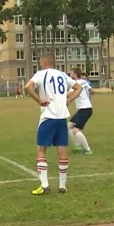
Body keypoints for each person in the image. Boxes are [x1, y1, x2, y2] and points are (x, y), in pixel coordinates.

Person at [24, 53, 82, 195]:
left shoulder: (41, 74)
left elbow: (27, 87)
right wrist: (69, 100)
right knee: (62, 151)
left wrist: (39, 100)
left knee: (41, 149)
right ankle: (62, 186)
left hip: (48, 116)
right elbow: (79, 88)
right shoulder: (62, 75)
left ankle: (44, 185)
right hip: (62, 118)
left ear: (43, 63)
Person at [68, 67, 94, 155]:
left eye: (71, 73)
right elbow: (92, 91)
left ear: (75, 74)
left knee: (76, 130)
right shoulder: (84, 81)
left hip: (84, 109)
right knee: (68, 126)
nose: (70, 74)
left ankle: (88, 150)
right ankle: (77, 146)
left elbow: (69, 94)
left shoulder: (76, 83)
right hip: (84, 108)